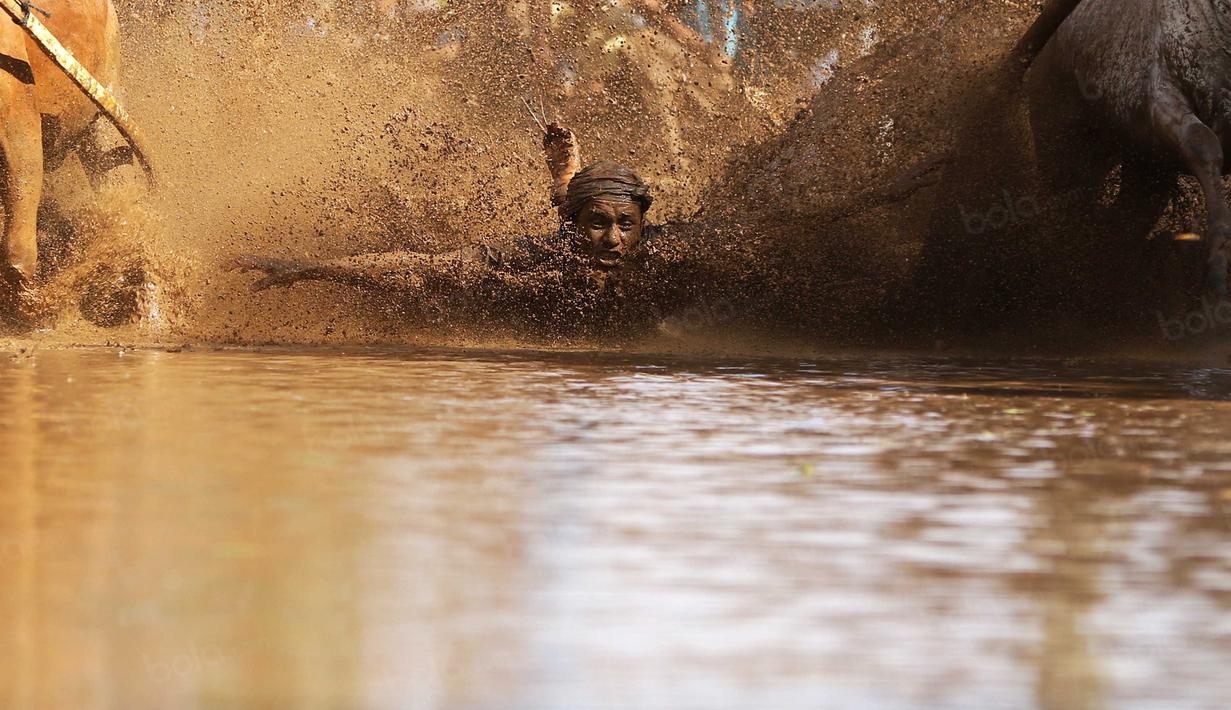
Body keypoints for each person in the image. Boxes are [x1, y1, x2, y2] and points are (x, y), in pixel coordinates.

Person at [230, 124, 714, 338]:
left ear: (643, 224)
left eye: (626, 226)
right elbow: (423, 268)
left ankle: (567, 177)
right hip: (548, 291)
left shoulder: (663, 248)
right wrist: (311, 268)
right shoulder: (540, 255)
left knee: (583, 203)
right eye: (599, 225)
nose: (613, 240)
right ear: (572, 228)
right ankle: (567, 179)